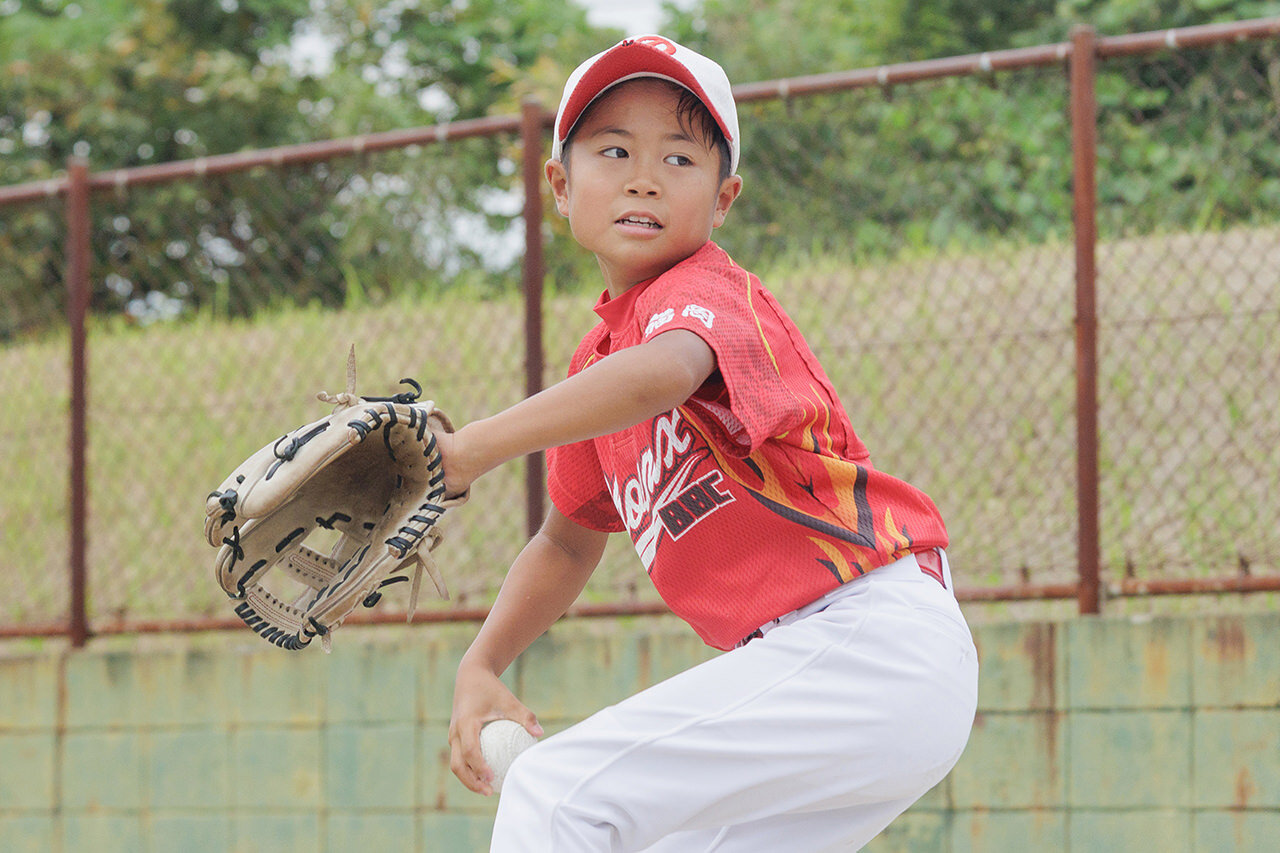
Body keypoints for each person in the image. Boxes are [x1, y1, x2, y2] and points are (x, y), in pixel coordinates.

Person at [437, 34, 979, 852]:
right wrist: (480, 664)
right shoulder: (597, 365)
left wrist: (472, 447)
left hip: (867, 639)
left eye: (680, 159)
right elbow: (565, 543)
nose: (644, 175)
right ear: (560, 184)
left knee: (558, 797)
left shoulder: (710, 293)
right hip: (829, 674)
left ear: (723, 199)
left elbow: (667, 372)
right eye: (612, 150)